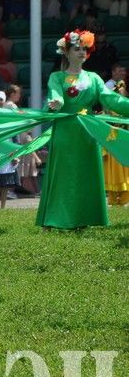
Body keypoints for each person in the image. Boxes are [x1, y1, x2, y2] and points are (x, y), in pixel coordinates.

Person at [37, 30, 129, 229]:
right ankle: (57, 219)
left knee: (86, 174)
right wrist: (56, 102)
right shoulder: (57, 77)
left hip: (87, 132)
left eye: (84, 49)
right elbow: (55, 95)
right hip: (65, 130)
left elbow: (110, 99)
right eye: (76, 49)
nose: (81, 52)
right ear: (66, 52)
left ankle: (86, 218)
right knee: (63, 174)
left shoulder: (94, 78)